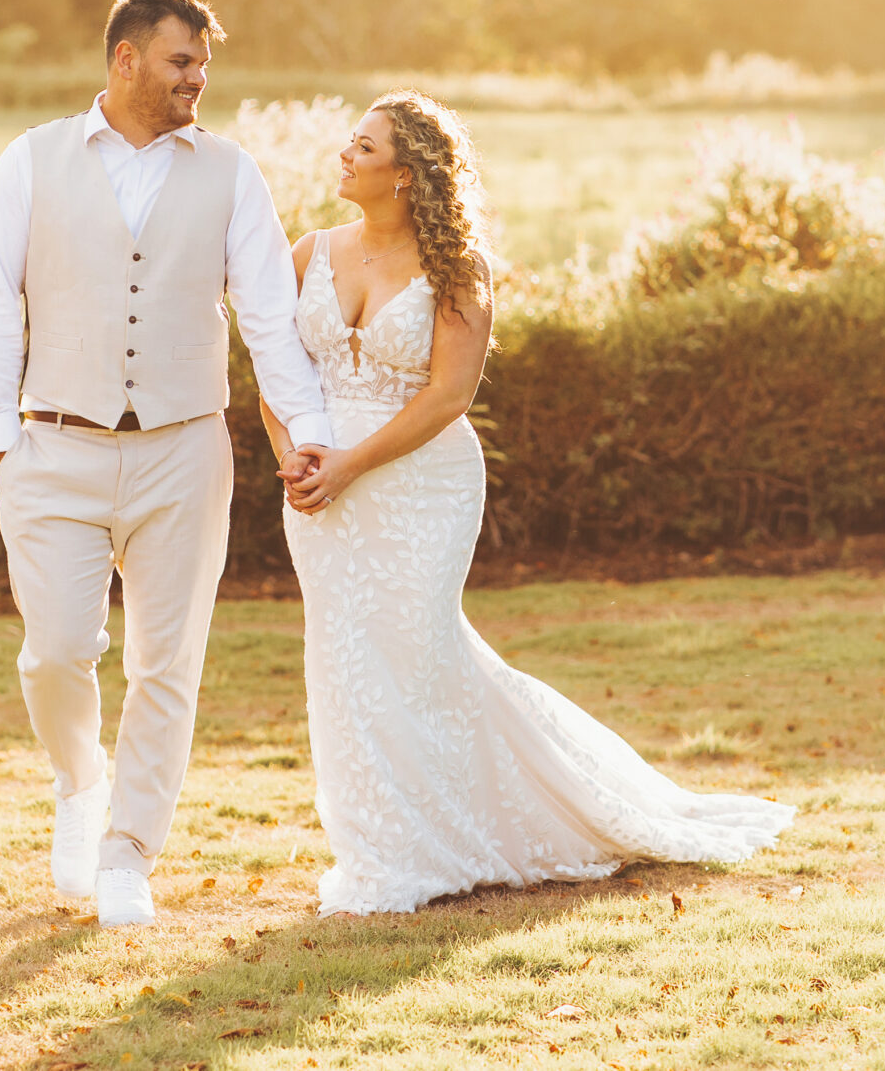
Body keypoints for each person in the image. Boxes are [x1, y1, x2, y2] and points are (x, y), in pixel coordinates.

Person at [271, 92, 793, 915]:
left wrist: (351, 462)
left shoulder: (457, 267)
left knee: (419, 651)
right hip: (323, 492)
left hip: (420, 483)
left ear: (404, 175)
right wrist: (295, 459)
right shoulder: (306, 253)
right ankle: (384, 840)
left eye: (362, 145)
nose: (343, 153)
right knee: (346, 660)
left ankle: (457, 833)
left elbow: (448, 395)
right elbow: (278, 371)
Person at [0, 0, 334, 929]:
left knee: (168, 661)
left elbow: (269, 319)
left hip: (183, 450)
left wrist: (307, 434)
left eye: (203, 64)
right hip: (52, 445)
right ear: (125, 59)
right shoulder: (32, 159)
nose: (197, 79)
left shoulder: (229, 171)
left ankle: (129, 852)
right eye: (181, 62)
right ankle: (81, 783)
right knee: (54, 653)